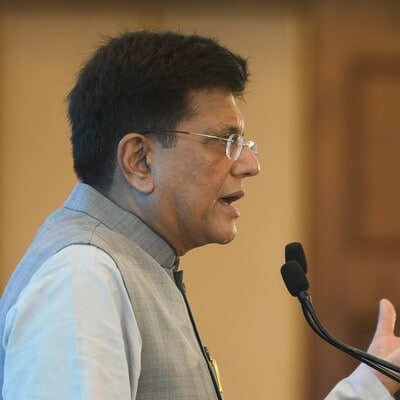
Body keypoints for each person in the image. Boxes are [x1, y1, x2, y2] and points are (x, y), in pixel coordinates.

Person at [0, 29, 399, 400]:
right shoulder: (82, 279)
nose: (250, 164)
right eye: (224, 140)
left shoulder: (129, 266)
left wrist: (369, 387)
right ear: (139, 160)